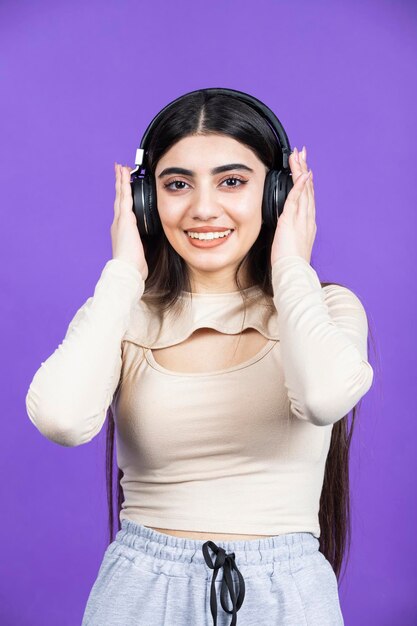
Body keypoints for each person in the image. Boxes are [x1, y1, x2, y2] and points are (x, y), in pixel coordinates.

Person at [26, 88, 374, 625]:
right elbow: (62, 420)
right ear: (146, 200)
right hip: (140, 591)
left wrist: (290, 266)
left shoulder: (325, 308)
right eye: (177, 184)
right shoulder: (123, 314)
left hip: (287, 595)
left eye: (232, 181)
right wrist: (122, 275)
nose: (203, 208)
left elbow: (324, 397)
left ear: (278, 194)